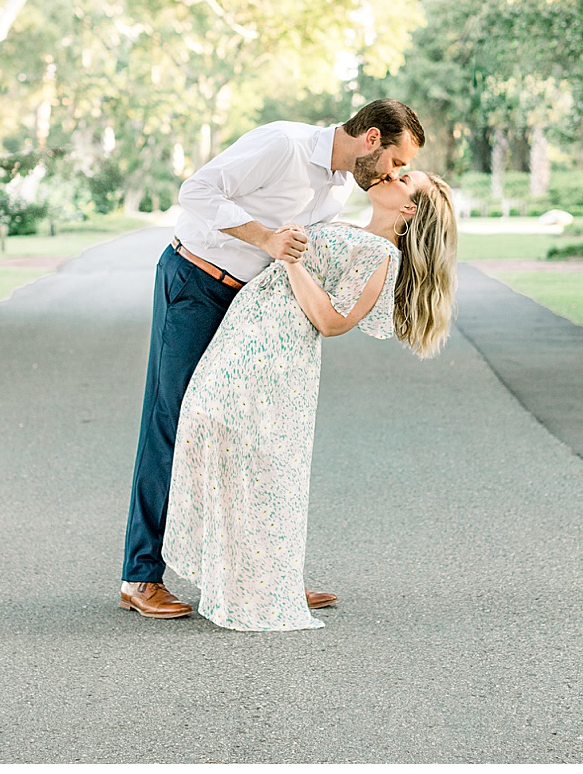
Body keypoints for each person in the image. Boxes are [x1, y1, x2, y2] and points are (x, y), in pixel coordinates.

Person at [120, 100, 425, 619]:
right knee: (172, 423)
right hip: (196, 283)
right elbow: (196, 191)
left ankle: (265, 580)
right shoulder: (284, 144)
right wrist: (265, 237)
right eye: (396, 161)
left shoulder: (336, 188)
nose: (394, 173)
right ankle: (140, 576)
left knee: (250, 441)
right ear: (372, 138)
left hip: (248, 305)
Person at [161, 168, 458, 630]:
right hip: (247, 330)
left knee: (251, 459)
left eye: (404, 179)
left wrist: (292, 261)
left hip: (274, 351)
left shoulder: (381, 254)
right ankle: (255, 574)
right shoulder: (350, 228)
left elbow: (333, 321)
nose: (391, 174)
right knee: (217, 437)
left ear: (408, 208)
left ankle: (264, 581)